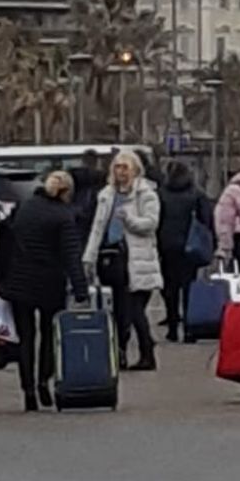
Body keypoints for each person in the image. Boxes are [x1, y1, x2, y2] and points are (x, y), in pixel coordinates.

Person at [0, 170, 88, 411]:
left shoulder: (24, 208)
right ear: (66, 192)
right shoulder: (63, 216)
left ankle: (27, 389)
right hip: (49, 282)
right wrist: (81, 289)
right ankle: (43, 382)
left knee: (25, 337)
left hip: (18, 280)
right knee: (49, 334)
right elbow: (71, 256)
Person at [82, 149, 162, 371]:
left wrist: (130, 220)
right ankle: (120, 352)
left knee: (135, 309)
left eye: (125, 168)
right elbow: (98, 228)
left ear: (135, 170)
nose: (121, 173)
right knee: (118, 309)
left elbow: (151, 223)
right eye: (117, 167)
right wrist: (88, 257)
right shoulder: (106, 194)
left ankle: (147, 352)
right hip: (112, 257)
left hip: (137, 258)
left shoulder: (146, 194)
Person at [156, 160, 214, 342]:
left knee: (170, 287)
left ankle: (172, 326)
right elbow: (207, 221)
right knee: (189, 287)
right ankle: (190, 328)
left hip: (166, 246)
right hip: (190, 247)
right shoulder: (197, 194)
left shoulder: (160, 194)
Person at [70, 149, 107, 233]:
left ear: (83, 161)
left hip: (76, 214)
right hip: (96, 215)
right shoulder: (102, 177)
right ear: (96, 162)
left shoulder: (74, 175)